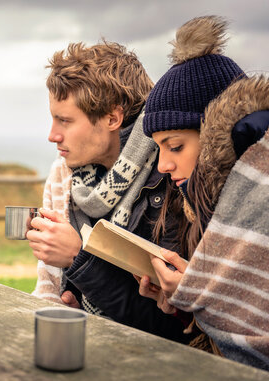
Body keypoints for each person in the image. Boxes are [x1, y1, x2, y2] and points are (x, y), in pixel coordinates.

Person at [28, 40, 194, 343]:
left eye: (64, 120)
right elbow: (56, 290)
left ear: (112, 118)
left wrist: (78, 257)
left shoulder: (172, 179)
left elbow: (176, 326)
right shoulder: (66, 176)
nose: (52, 135)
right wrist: (76, 303)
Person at [138, 15, 269, 370]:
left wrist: (195, 295)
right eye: (158, 149)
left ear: (215, 140)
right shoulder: (198, 208)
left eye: (175, 146)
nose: (163, 165)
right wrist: (181, 305)